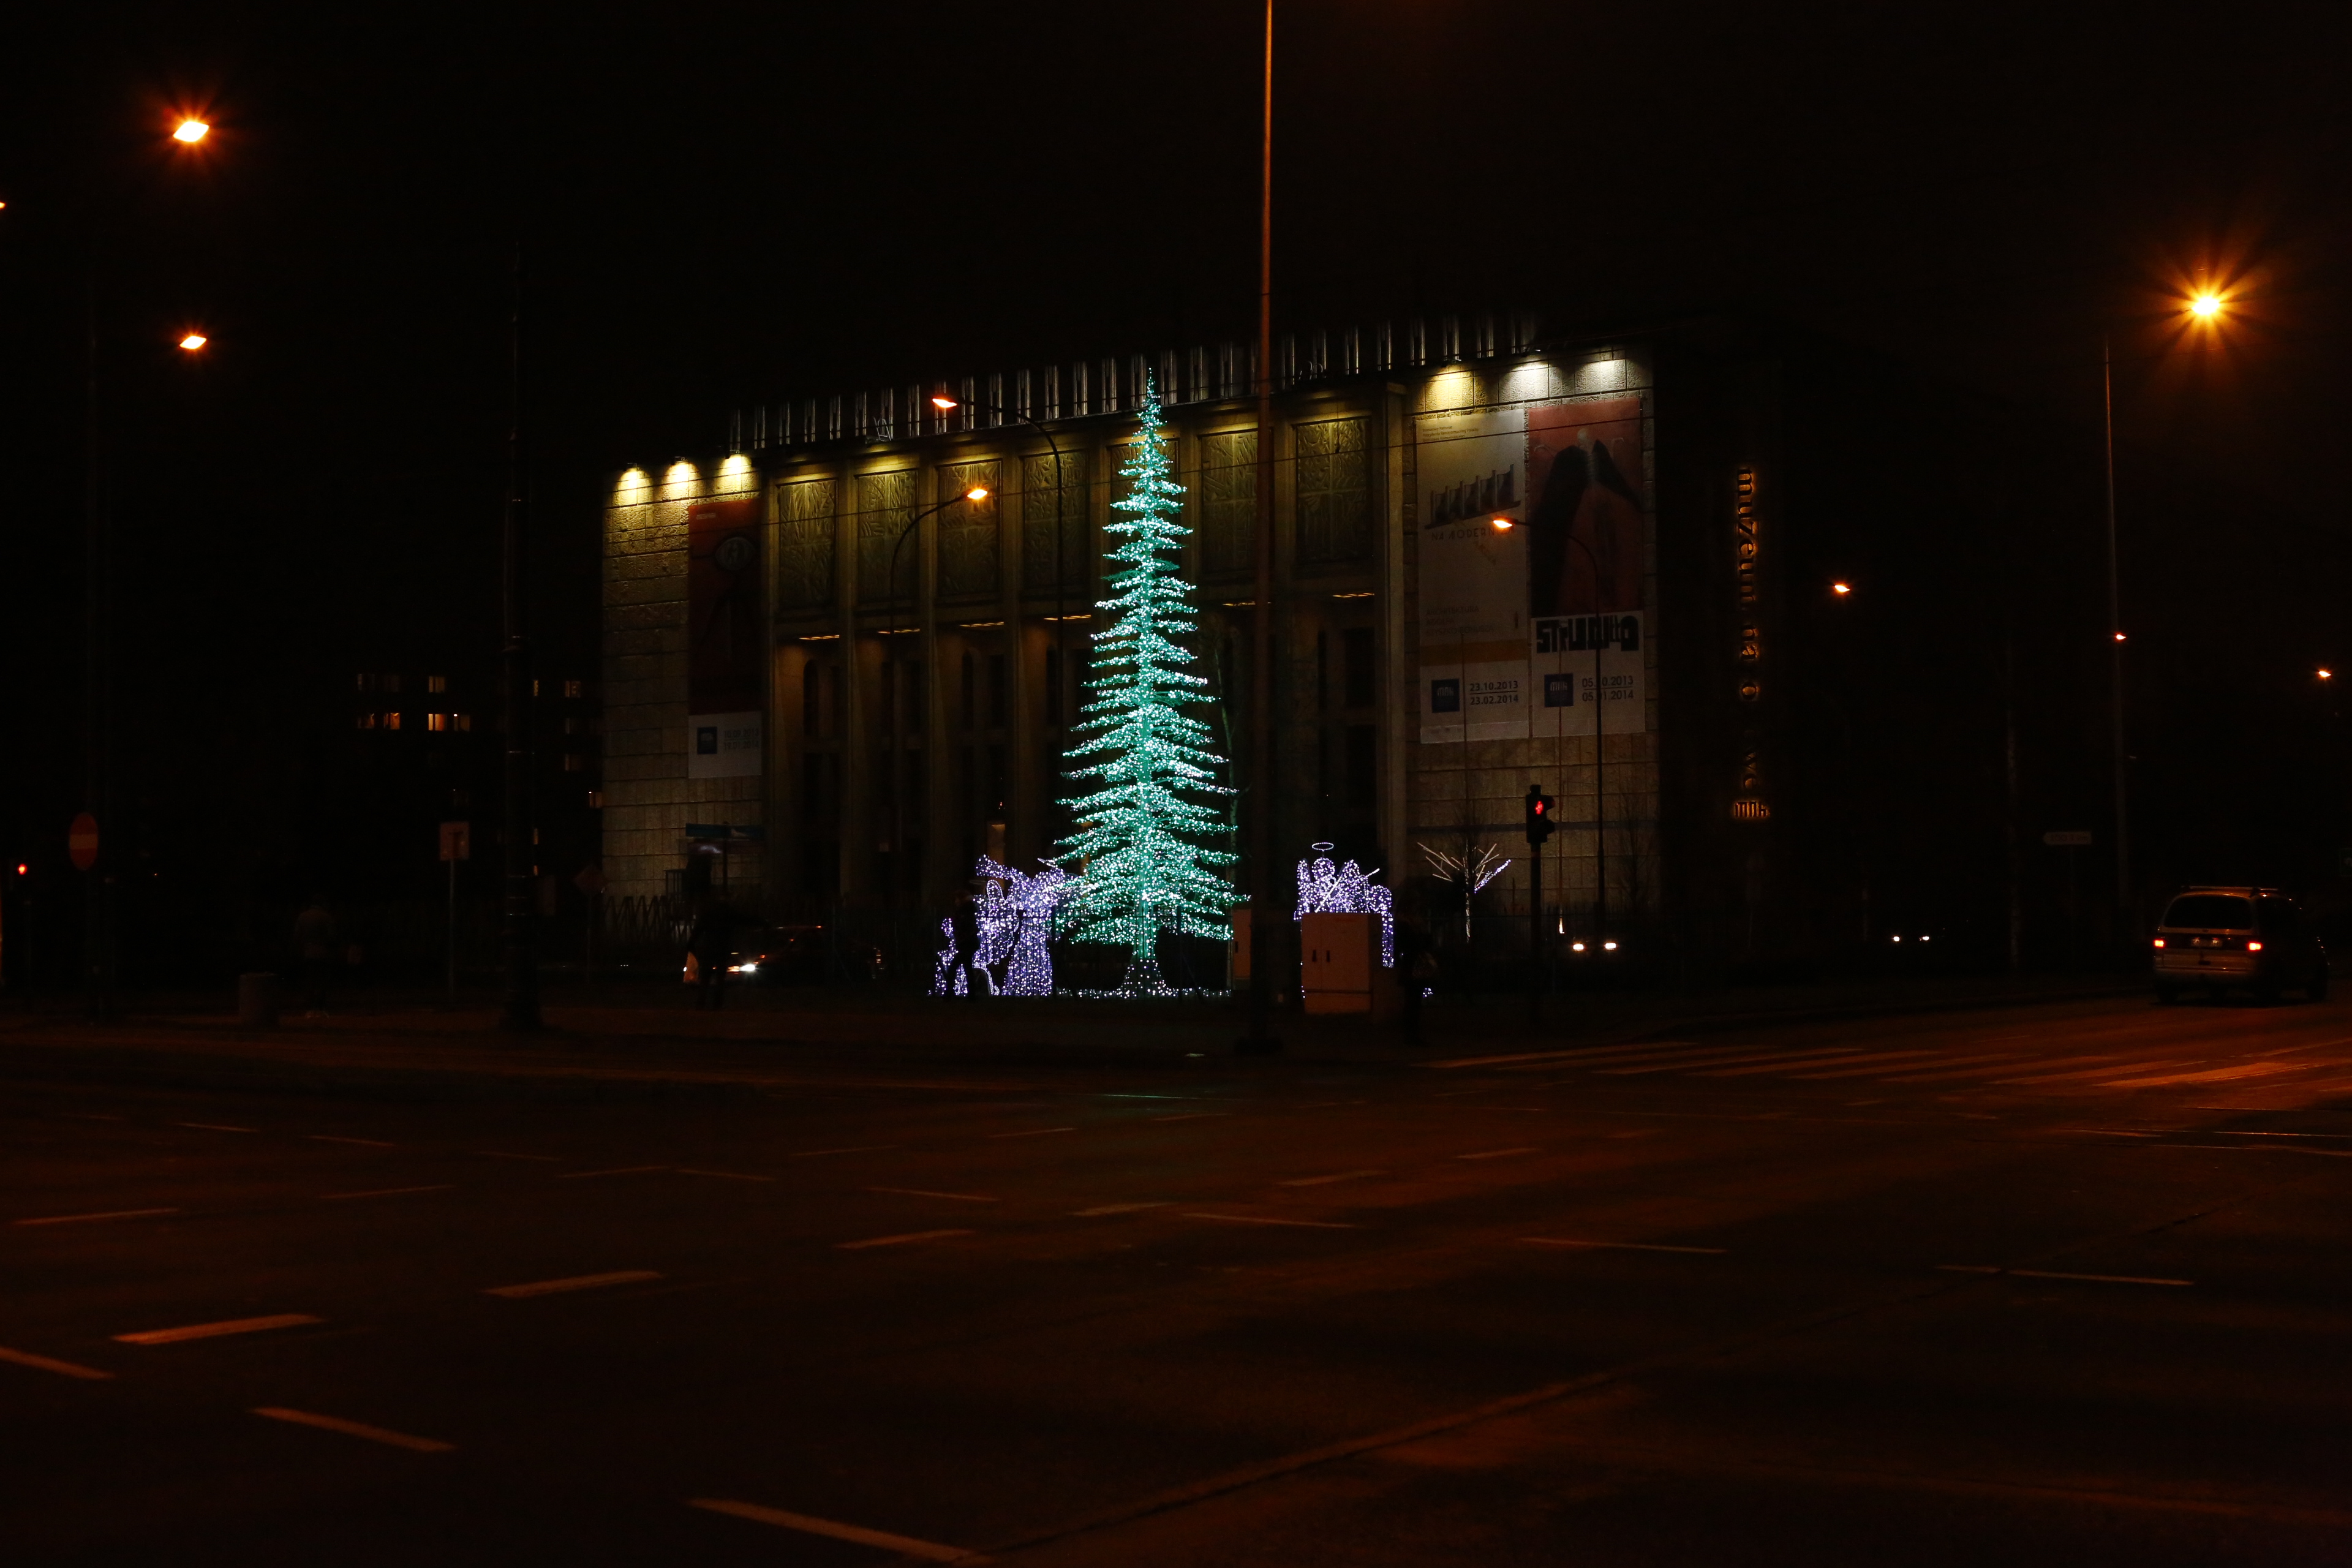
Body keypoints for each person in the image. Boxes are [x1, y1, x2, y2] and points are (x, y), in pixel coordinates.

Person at [686, 893, 735, 1011]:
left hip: (709, 948)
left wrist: (691, 944)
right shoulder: (729, 914)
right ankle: (717, 1003)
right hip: (722, 949)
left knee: (705, 977)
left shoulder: (709, 914)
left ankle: (701, 1002)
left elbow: (698, 930)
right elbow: (745, 919)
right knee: (720, 978)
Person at [293, 895, 337, 1017]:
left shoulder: (303, 916)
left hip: (308, 952)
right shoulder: (326, 916)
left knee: (311, 980)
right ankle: (320, 1008)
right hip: (323, 953)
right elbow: (332, 937)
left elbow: (297, 936)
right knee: (322, 981)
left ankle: (311, 1008)